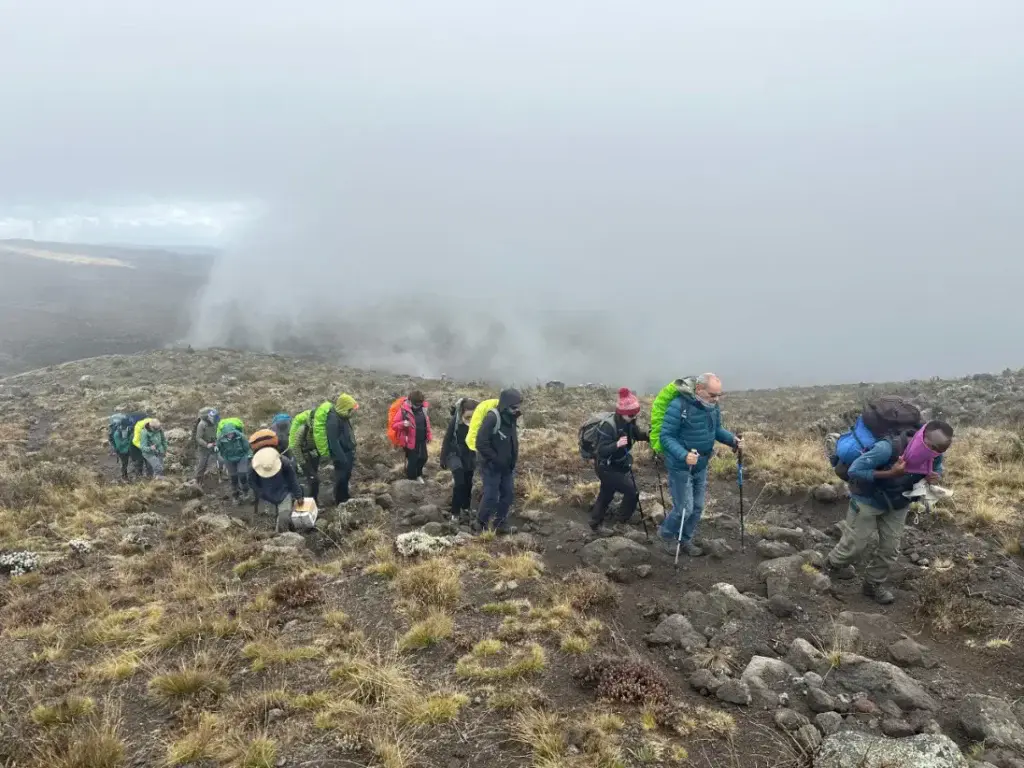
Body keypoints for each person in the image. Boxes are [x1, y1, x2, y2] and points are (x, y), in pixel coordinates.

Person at [825, 420, 954, 605]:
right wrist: (891, 474)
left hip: (898, 503)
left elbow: (938, 468)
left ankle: (872, 584)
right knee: (855, 545)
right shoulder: (887, 448)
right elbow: (855, 471)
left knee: (890, 548)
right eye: (930, 445)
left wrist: (934, 476)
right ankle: (831, 567)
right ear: (921, 434)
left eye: (938, 450)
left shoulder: (934, 455)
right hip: (867, 499)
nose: (931, 451)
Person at [657, 374, 742, 557]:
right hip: (681, 466)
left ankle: (685, 539)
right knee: (684, 509)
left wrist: (732, 440)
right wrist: (683, 455)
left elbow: (716, 430)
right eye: (713, 395)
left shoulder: (712, 407)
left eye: (720, 395)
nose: (716, 399)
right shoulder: (679, 406)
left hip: (701, 464)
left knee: (697, 508)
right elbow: (666, 437)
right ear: (699, 390)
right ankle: (666, 535)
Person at [589, 388, 650, 532]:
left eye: (636, 414)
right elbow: (601, 450)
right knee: (631, 492)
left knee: (607, 492)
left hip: (618, 465)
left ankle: (595, 523)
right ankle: (620, 521)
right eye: (631, 414)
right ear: (622, 413)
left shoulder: (629, 422)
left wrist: (648, 434)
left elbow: (637, 434)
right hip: (606, 467)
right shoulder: (608, 426)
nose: (634, 417)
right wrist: (616, 444)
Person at [473, 388, 522, 535]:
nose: (516, 410)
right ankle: (480, 523)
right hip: (491, 466)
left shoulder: (511, 418)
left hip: (507, 466)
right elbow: (480, 443)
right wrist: (495, 458)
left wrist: (512, 460)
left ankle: (500, 523)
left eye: (518, 406)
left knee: (508, 494)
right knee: (491, 495)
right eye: (514, 407)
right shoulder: (493, 418)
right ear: (506, 404)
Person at [312, 394, 358, 505]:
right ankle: (340, 500)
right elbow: (333, 442)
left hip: (347, 452)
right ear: (345, 407)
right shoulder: (333, 420)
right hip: (341, 454)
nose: (352, 412)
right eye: (350, 409)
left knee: (346, 476)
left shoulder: (343, 416)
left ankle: (345, 496)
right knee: (341, 477)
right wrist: (342, 458)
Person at [441, 397, 479, 523]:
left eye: (473, 417)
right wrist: (443, 458)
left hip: (470, 454)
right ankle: (455, 512)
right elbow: (447, 439)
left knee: (468, 481)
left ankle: (466, 506)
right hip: (454, 453)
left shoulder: (478, 423)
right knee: (460, 481)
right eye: (468, 417)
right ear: (462, 413)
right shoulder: (455, 421)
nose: (470, 420)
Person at [249, 446, 304, 533]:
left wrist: (299, 495)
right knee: (269, 521)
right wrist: (261, 493)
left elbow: (292, 480)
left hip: (284, 493)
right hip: (266, 495)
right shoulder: (254, 466)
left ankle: (284, 536)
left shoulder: (285, 463)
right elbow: (252, 483)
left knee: (283, 518)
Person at [392, 390, 433, 482]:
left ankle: (418, 474)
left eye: (420, 403)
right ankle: (411, 479)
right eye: (416, 404)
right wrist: (403, 423)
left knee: (423, 458)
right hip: (409, 441)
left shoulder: (423, 409)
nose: (418, 406)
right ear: (410, 401)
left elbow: (427, 423)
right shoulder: (403, 410)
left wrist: (429, 435)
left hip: (422, 440)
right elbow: (394, 425)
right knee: (413, 461)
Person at [216, 419, 252, 502]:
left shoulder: (240, 436)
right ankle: (235, 495)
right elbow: (218, 448)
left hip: (241, 457)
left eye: (231, 433)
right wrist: (216, 448)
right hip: (229, 459)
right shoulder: (221, 439)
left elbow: (247, 448)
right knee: (233, 477)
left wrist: (250, 454)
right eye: (228, 434)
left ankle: (246, 492)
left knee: (242, 475)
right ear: (224, 433)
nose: (230, 435)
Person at [289, 408, 321, 502]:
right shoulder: (303, 430)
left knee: (312, 479)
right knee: (314, 480)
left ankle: (312, 500)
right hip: (305, 458)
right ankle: (310, 500)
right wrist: (302, 463)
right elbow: (295, 447)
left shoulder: (320, 429)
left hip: (314, 456)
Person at [107, 413, 138, 480]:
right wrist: (129, 439)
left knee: (134, 461)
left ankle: (136, 475)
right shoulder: (117, 434)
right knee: (124, 463)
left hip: (128, 449)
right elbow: (119, 445)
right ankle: (124, 476)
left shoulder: (128, 429)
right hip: (122, 451)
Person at [193, 407, 219, 484]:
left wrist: (217, 442)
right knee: (202, 464)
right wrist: (206, 444)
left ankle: (221, 476)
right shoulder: (202, 424)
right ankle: (198, 480)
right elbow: (198, 438)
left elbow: (218, 433)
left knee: (220, 460)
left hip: (214, 445)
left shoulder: (216, 423)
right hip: (204, 448)